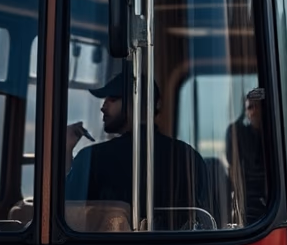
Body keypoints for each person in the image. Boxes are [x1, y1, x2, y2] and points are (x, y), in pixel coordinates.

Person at [64, 73, 209, 230]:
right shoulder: (189, 157)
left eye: (112, 99)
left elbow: (67, 215)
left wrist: (65, 149)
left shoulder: (92, 158)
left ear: (136, 102)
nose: (103, 106)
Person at [225, 88, 268, 222]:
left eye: (258, 107)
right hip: (248, 202)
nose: (254, 112)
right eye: (250, 107)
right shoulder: (239, 135)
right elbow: (233, 167)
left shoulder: (274, 138)